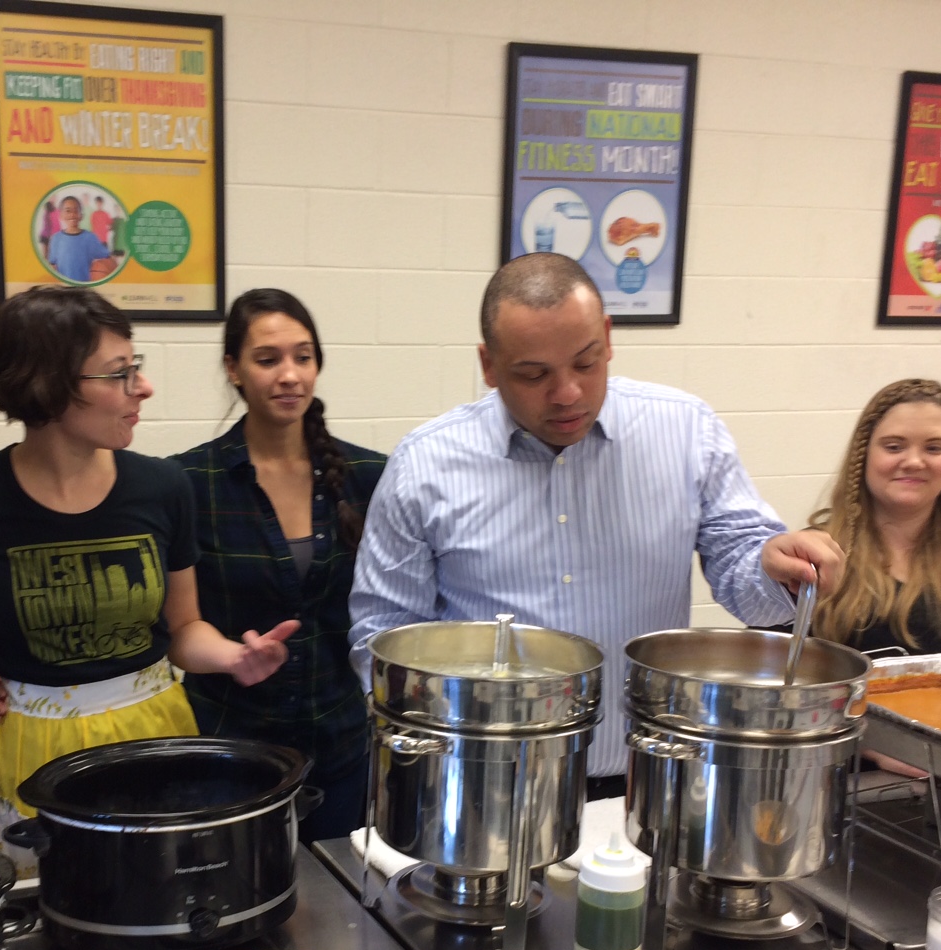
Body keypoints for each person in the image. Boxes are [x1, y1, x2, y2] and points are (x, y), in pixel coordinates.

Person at [349, 253, 843, 796]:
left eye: (586, 363)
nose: (567, 394)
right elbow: (382, 635)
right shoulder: (425, 464)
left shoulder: (684, 432)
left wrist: (778, 570)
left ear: (608, 338)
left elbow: (751, 584)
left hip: (650, 776)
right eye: (533, 374)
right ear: (489, 366)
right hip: (484, 785)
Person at [0, 286, 298, 867]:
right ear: (48, 384)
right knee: (40, 917)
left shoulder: (164, 489)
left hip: (155, 732)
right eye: (119, 373)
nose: (142, 388)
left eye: (136, 368)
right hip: (31, 748)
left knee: (162, 902)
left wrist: (230, 656)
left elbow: (184, 628)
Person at [174, 289, 386, 842]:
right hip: (230, 756)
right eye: (268, 360)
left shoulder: (370, 475)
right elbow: (178, 631)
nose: (289, 375)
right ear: (234, 370)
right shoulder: (189, 483)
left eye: (303, 356)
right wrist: (233, 656)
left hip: (343, 750)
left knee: (342, 913)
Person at [810, 378, 941, 657]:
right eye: (894, 447)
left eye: (934, 448)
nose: (914, 461)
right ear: (862, 457)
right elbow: (775, 663)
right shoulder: (819, 549)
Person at [46, 196, 116, 283]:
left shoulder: (90, 238)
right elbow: (52, 264)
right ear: (61, 215)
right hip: (63, 290)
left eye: (76, 211)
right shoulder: (55, 238)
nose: (72, 214)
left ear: (81, 215)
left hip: (84, 288)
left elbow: (108, 257)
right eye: (68, 211)